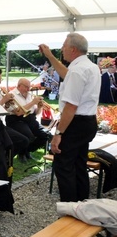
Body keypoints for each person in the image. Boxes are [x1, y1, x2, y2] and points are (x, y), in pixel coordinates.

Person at [39, 33, 100, 202]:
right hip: (88, 121)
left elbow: (71, 107)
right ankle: (82, 205)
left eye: (64, 46)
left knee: (64, 166)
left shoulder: (77, 70)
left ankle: (70, 211)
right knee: (79, 165)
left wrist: (58, 133)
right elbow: (67, 74)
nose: (62, 49)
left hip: (76, 123)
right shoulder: (90, 66)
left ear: (73, 49)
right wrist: (50, 56)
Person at [7, 78, 52, 161]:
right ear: (19, 86)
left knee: (46, 135)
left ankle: (27, 150)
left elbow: (36, 113)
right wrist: (33, 102)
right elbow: (19, 112)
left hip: (30, 119)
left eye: (29, 87)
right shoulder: (12, 95)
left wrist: (39, 107)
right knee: (29, 136)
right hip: (16, 120)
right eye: (26, 87)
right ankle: (22, 153)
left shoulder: (30, 95)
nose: (28, 89)